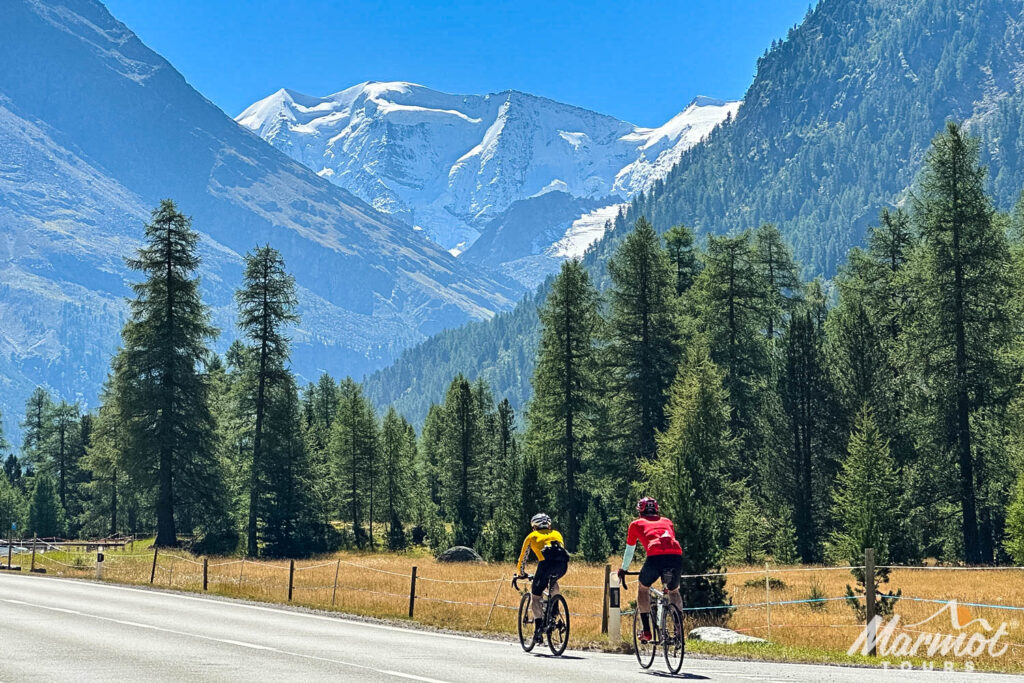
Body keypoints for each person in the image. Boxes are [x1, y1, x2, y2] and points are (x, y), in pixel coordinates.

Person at [617, 496, 684, 643]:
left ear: (640, 511)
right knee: (674, 591)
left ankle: (646, 630)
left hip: (655, 558)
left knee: (643, 588)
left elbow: (630, 550)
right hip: (676, 556)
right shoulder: (667, 522)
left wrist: (624, 569)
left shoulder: (636, 524)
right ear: (657, 509)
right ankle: (679, 628)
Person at [516, 512, 570, 642]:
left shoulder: (532, 536)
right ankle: (554, 607)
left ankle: (538, 629)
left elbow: (523, 558)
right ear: (549, 525)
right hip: (562, 566)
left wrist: (520, 573)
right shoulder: (557, 534)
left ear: (534, 526)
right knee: (554, 582)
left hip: (545, 566)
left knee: (535, 596)